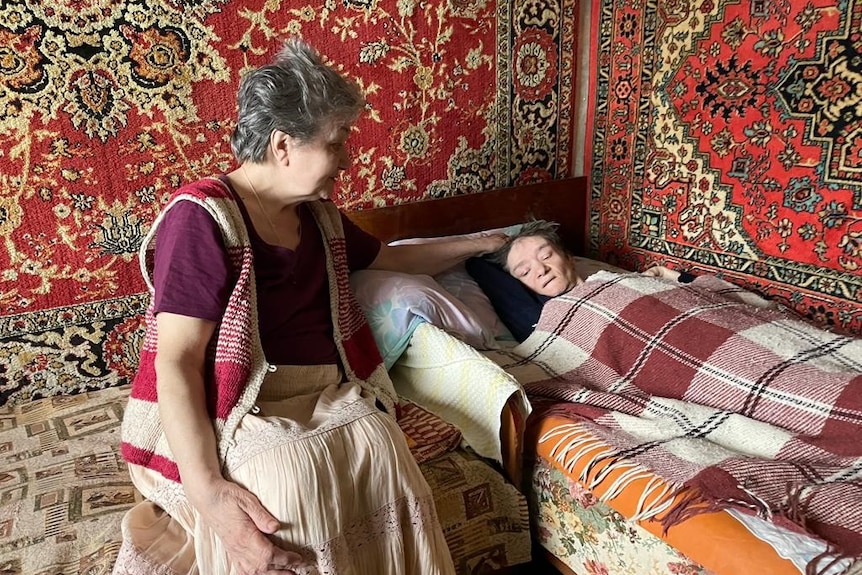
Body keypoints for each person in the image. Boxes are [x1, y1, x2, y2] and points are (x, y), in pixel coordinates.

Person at [113, 38, 505, 575]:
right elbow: (177, 361)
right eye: (338, 141)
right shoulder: (201, 219)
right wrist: (208, 494)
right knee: (289, 484)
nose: (346, 159)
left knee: (383, 450)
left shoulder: (318, 216)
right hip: (234, 404)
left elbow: (387, 257)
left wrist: (481, 243)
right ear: (283, 145)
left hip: (324, 390)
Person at [466, 220, 696, 342]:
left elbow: (694, 288)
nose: (541, 270)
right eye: (525, 272)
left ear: (568, 258)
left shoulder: (612, 283)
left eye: (546, 256)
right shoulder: (543, 318)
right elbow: (477, 266)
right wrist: (484, 244)